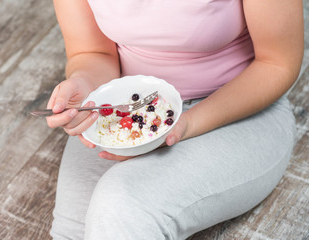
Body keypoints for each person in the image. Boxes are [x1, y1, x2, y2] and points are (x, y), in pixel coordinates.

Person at [46, 0, 304, 239]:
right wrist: (84, 83)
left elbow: (277, 64)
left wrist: (187, 124)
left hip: (241, 111)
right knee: (75, 231)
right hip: (127, 112)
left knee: (124, 206)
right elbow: (93, 52)